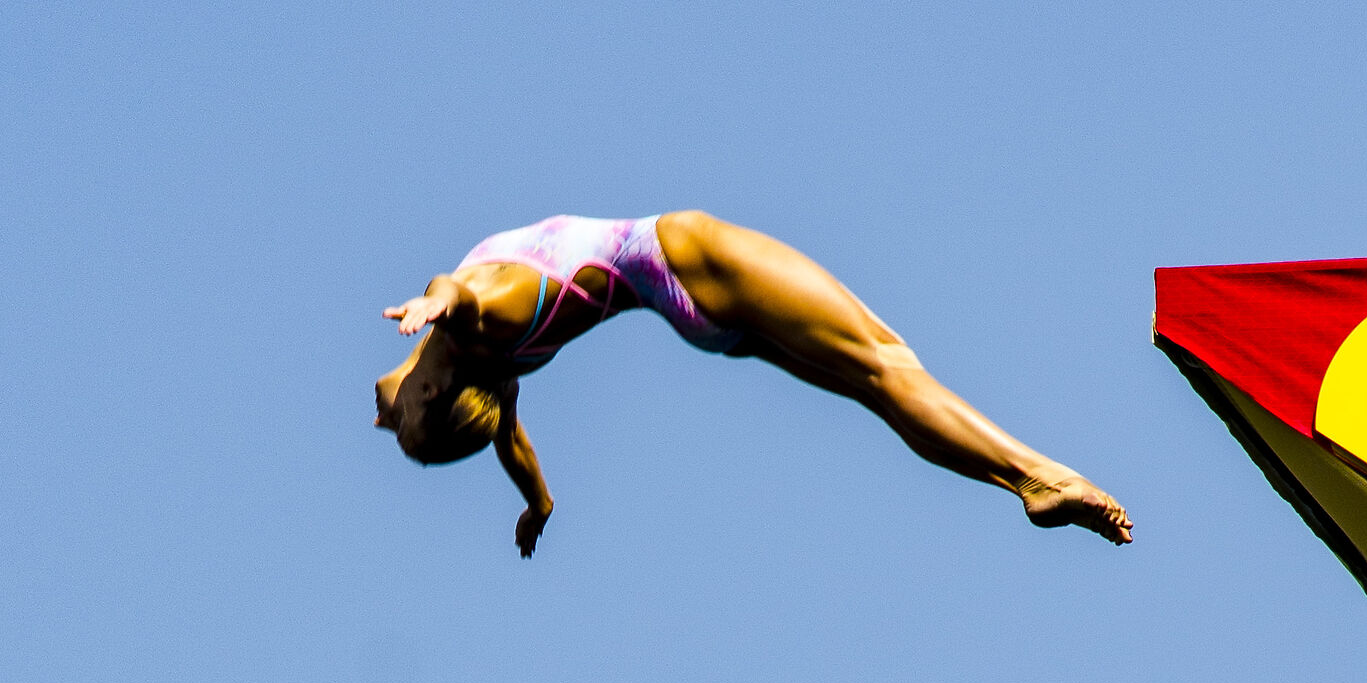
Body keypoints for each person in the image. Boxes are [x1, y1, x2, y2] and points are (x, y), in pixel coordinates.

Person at [375, 212, 1131, 557]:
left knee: (876, 388)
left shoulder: (494, 379)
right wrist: (438, 298)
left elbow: (514, 445)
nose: (386, 416)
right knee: (889, 363)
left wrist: (538, 506)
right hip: (684, 259)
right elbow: (477, 288)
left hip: (705, 325)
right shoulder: (477, 328)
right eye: (404, 423)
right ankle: (1039, 476)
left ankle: (1024, 483)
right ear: (436, 396)